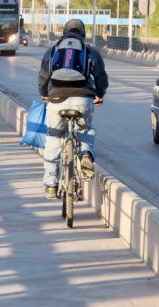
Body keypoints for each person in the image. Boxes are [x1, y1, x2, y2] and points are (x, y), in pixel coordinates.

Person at [38, 19, 108, 199]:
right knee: (84, 130)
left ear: (64, 33)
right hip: (83, 99)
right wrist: (99, 94)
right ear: (83, 35)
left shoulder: (53, 50)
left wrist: (44, 93)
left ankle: (51, 184)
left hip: (56, 98)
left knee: (53, 137)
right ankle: (85, 155)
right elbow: (101, 77)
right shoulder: (90, 51)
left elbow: (44, 75)